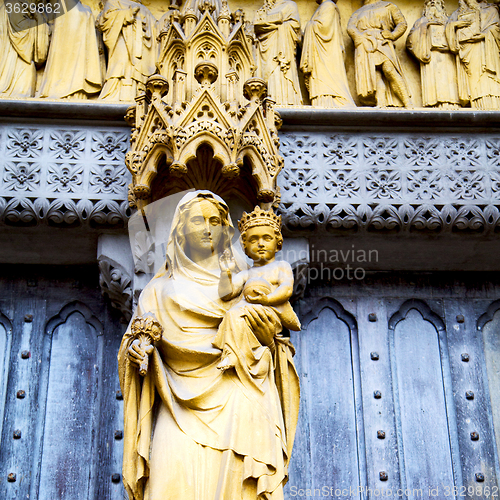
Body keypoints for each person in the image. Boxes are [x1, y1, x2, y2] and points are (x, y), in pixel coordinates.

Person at [119, 191, 299, 500]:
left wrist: (269, 338)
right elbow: (136, 341)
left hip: (241, 397)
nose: (207, 228)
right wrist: (136, 351)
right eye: (198, 220)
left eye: (215, 221)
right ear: (180, 228)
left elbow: (276, 343)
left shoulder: (245, 280)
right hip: (178, 405)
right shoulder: (159, 290)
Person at [214, 206, 301, 373]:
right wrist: (226, 272)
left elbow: (286, 288)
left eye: (266, 238)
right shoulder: (247, 274)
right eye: (253, 240)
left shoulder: (281, 266)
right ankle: (233, 353)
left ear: (278, 243)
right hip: (246, 312)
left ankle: (256, 353)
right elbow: (227, 294)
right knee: (232, 315)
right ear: (245, 246)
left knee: (243, 317)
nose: (260, 244)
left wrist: (267, 300)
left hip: (270, 314)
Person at [347, 0, 412, 107]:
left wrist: (393, 35)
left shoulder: (388, 6)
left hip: (382, 40)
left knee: (389, 69)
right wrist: (359, 37)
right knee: (374, 75)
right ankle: (380, 102)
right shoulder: (358, 12)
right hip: (365, 43)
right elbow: (350, 27)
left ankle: (407, 102)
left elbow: (402, 23)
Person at [38, 1, 103, 99]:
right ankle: (66, 89)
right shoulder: (67, 6)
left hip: (79, 52)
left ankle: (74, 88)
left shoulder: (81, 8)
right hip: (70, 46)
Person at [97, 0, 157, 102]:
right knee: (121, 64)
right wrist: (127, 13)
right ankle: (114, 93)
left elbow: (156, 28)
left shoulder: (144, 9)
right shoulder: (114, 2)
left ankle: (137, 94)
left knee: (137, 69)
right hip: (121, 39)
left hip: (140, 46)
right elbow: (104, 20)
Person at [300, 0, 355, 107]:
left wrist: (308, 27)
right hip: (324, 52)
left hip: (326, 54)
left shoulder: (328, 5)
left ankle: (330, 101)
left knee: (326, 80)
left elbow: (323, 27)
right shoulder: (324, 6)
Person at [446, 0, 500, 109]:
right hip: (467, 52)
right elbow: (448, 27)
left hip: (485, 50)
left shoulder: (491, 10)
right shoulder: (458, 12)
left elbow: (496, 29)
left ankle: (492, 106)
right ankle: (478, 107)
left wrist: (485, 35)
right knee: (474, 80)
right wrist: (455, 24)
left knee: (487, 78)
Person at [407, 0, 460, 108]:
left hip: (448, 57)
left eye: (436, 2)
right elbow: (410, 41)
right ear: (425, 7)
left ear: (442, 7)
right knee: (434, 81)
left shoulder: (449, 21)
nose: (432, 4)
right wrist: (425, 27)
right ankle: (435, 105)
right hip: (431, 57)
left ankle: (452, 104)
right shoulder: (421, 21)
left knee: (449, 79)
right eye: (430, 2)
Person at [254, 0, 303, 105]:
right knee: (271, 77)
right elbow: (257, 26)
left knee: (280, 74)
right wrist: (276, 23)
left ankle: (286, 101)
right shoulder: (263, 11)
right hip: (267, 52)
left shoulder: (290, 5)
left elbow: (296, 27)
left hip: (283, 50)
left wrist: (274, 26)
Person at [0, 3, 49, 97]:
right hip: (15, 65)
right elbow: (21, 35)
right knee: (19, 94)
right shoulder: (13, 5)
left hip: (18, 61)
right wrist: (39, 20)